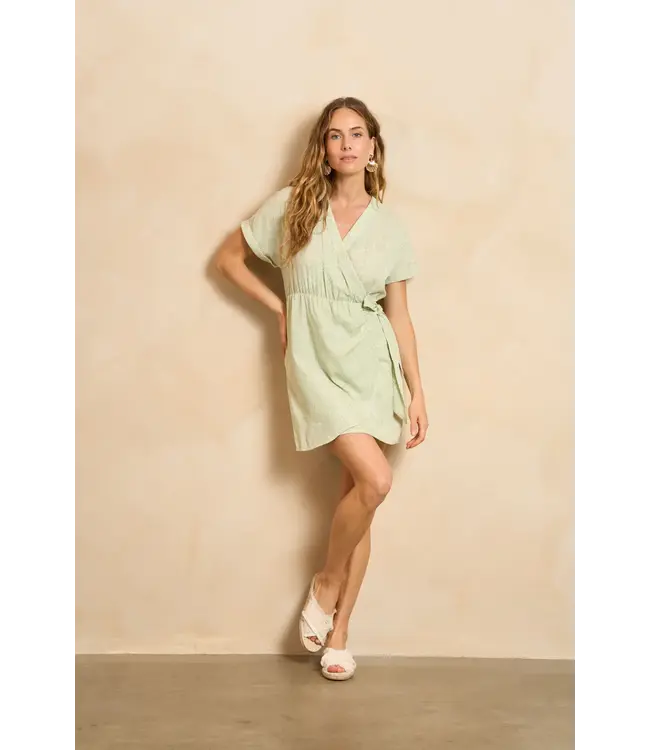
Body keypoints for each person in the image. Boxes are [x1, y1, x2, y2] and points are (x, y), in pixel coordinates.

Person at [214, 97, 429, 681]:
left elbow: (399, 314)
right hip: (314, 364)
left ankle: (339, 634)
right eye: (336, 135)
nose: (348, 144)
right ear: (324, 148)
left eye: (358, 134)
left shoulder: (389, 228)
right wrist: (279, 307)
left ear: (373, 147)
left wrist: (417, 390)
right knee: (375, 481)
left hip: (371, 365)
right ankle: (327, 583)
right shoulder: (294, 206)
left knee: (359, 495)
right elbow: (228, 259)